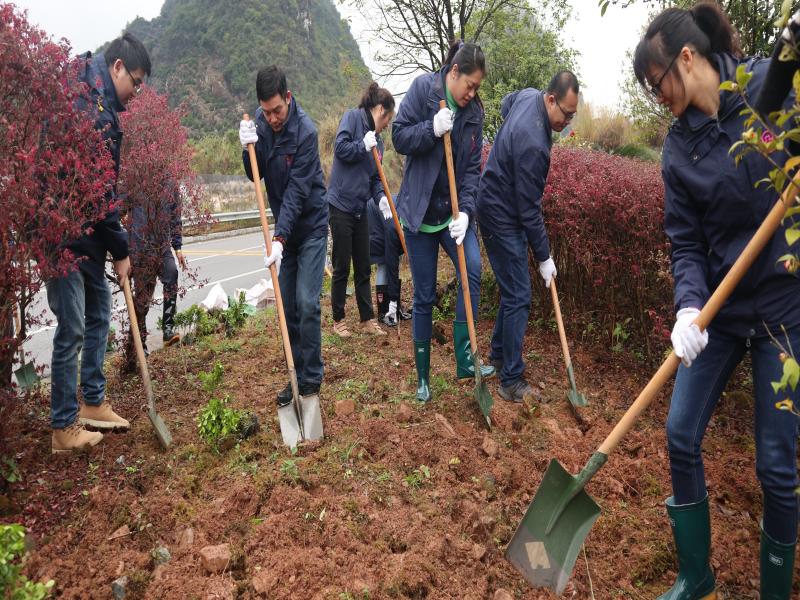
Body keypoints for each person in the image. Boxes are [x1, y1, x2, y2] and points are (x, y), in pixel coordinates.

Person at [633, 3, 800, 597]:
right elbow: (684, 242)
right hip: (721, 313)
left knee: (776, 466)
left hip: (784, 309)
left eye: (657, 83)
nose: (658, 98)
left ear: (686, 58)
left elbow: (786, 91)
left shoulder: (765, 87)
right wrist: (688, 307)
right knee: (680, 433)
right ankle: (695, 576)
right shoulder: (678, 150)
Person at [46, 33, 151, 453]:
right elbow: (100, 193)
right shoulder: (89, 108)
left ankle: (92, 401)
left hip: (85, 231)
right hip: (63, 232)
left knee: (99, 312)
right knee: (72, 325)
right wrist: (121, 250)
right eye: (135, 82)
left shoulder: (95, 95)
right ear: (117, 67)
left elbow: (100, 193)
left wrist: (110, 241)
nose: (136, 92)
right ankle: (63, 426)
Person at [392, 40, 495, 403]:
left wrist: (466, 211)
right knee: (423, 295)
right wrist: (431, 129)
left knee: (473, 269)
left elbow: (471, 172)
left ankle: (466, 359)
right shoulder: (424, 89)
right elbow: (398, 136)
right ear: (454, 73)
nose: (472, 93)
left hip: (452, 214)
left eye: (477, 87)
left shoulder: (474, 114)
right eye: (470, 85)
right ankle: (423, 378)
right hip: (419, 215)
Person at [477, 71, 579, 402]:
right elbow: (529, 209)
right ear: (550, 99)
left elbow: (506, 104)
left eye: (572, 115)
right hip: (501, 215)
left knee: (512, 290)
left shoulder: (527, 96)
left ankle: (498, 356)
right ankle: (511, 379)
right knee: (520, 294)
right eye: (565, 114)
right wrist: (544, 257)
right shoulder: (534, 144)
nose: (568, 121)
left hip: (496, 203)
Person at [239, 66, 328, 407]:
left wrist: (279, 238)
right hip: (285, 233)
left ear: (288, 98)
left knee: (306, 302)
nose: (273, 118)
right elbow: (255, 173)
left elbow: (297, 192)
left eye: (277, 110)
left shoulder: (306, 132)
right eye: (266, 112)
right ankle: (296, 374)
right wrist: (247, 147)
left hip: (310, 226)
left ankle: (312, 378)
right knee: (287, 305)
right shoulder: (262, 125)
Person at [326, 82, 395, 338]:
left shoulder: (379, 143)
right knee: (342, 265)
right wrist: (361, 146)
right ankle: (338, 319)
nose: (387, 124)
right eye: (387, 118)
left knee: (364, 265)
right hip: (340, 205)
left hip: (360, 207)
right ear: (380, 110)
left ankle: (367, 319)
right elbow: (340, 148)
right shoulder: (352, 118)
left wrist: (381, 198)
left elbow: (375, 178)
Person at [125, 182, 188, 371]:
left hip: (162, 246)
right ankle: (140, 344)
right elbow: (116, 210)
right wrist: (124, 248)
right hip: (139, 248)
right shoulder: (136, 179)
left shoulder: (170, 183)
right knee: (142, 299)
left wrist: (178, 247)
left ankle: (168, 328)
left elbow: (175, 218)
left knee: (172, 273)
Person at [366, 199, 412, 326]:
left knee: (389, 263)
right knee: (385, 263)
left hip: (381, 224)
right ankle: (384, 311)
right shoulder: (396, 220)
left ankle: (394, 307)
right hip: (374, 232)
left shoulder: (404, 209)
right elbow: (392, 263)